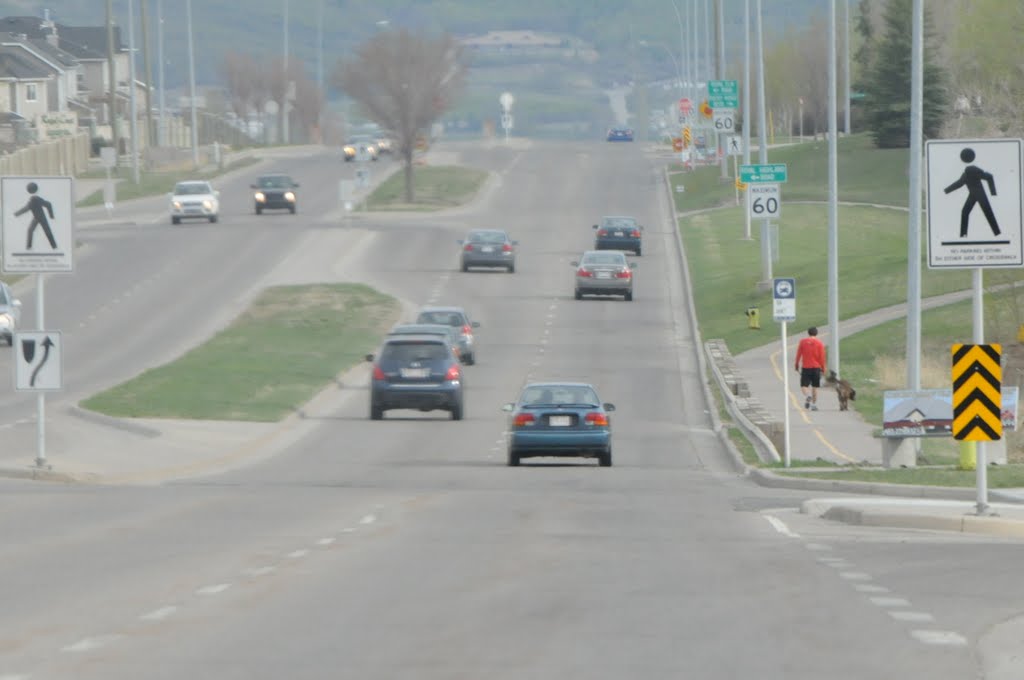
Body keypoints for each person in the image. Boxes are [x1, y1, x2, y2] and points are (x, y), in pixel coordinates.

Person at [794, 326, 827, 411]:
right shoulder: (820, 343)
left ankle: (808, 396)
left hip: (806, 367)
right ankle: (813, 405)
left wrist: (796, 364)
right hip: (816, 368)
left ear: (808, 333)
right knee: (815, 387)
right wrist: (823, 369)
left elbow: (798, 354)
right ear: (816, 333)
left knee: (804, 386)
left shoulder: (802, 342)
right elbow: (822, 358)